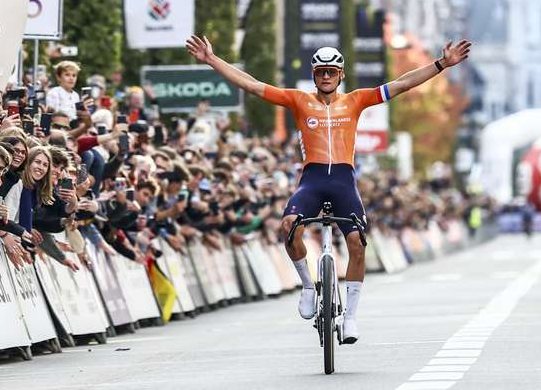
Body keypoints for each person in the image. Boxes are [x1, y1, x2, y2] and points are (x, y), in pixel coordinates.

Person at [186, 34, 471, 343]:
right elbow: (253, 86)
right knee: (288, 226)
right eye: (320, 71)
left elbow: (402, 83)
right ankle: (309, 286)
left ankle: (350, 317)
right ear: (314, 74)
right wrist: (212, 60)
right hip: (312, 180)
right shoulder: (298, 100)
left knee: (357, 244)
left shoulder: (356, 100)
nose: (325, 76)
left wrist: (442, 64)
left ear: (341, 75)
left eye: (331, 71)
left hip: (343, 182)